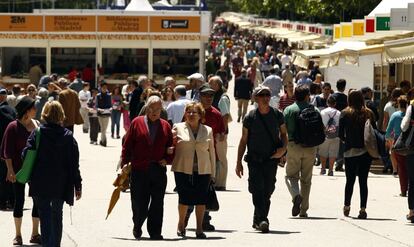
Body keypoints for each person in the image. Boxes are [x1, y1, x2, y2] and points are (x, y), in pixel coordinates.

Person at [23, 101, 82, 247]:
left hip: (40, 182)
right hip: (60, 184)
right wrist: (78, 185)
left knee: (44, 215)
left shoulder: (37, 133)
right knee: (57, 215)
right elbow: (74, 164)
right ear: (61, 115)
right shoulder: (68, 137)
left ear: (45, 114)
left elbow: (26, 155)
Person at [236, 85, 287, 233]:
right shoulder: (250, 117)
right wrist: (238, 162)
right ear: (256, 98)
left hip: (271, 158)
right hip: (254, 159)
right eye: (262, 95)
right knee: (257, 189)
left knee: (268, 190)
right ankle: (263, 219)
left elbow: (284, 134)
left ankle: (258, 218)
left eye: (267, 95)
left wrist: (283, 150)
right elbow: (243, 139)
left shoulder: (277, 115)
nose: (265, 98)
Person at [121, 96, 173, 240]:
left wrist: (167, 159)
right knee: (138, 201)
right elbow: (128, 144)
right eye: (152, 108)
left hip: (158, 169)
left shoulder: (165, 125)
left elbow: (170, 146)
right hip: (139, 169)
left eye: (158, 109)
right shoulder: (136, 122)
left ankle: (155, 232)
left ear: (161, 109)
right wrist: (124, 162)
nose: (155, 112)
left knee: (157, 202)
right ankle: (137, 224)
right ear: (146, 108)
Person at [0, 96, 41, 245]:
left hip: (35, 171)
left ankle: (35, 233)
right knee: (19, 201)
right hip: (18, 171)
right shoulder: (13, 127)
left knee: (37, 201)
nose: (36, 110)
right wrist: (10, 170)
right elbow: (7, 152)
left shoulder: (37, 125)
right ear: (26, 110)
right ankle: (18, 235)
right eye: (33, 108)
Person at [172, 102, 216, 239]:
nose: (191, 115)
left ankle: (199, 228)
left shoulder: (208, 130)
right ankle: (181, 224)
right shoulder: (177, 128)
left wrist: (213, 174)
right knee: (184, 198)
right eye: (188, 112)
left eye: (194, 112)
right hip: (182, 168)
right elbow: (170, 147)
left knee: (201, 200)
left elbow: (212, 153)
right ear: (185, 114)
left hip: (203, 170)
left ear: (200, 115)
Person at [283, 85, 320, 218]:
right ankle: (304, 210)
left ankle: (295, 195)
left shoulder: (289, 110)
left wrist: (282, 150)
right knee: (306, 179)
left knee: (290, 176)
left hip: (293, 146)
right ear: (306, 96)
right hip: (310, 148)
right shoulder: (314, 109)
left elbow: (283, 131)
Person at [339, 90, 375, 219]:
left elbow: (340, 134)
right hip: (366, 152)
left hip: (350, 151)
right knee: (363, 181)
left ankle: (347, 206)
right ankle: (363, 209)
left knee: (350, 180)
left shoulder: (345, 113)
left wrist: (347, 141)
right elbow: (373, 131)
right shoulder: (369, 113)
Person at [209, 76, 231, 190]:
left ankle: (221, 183)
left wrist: (222, 132)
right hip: (216, 132)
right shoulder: (216, 96)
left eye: (210, 84)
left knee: (221, 157)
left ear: (217, 85)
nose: (209, 86)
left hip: (220, 133)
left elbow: (225, 115)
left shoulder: (223, 97)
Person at [386, 96, 408, 196]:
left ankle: (403, 190)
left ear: (398, 104)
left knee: (401, 167)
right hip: (411, 143)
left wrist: (388, 139)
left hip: (398, 144)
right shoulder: (410, 115)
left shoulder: (395, 115)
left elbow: (388, 131)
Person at [0, 88, 16, 211]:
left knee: (2, 175)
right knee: (11, 174)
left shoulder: (1, 111)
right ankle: (12, 200)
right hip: (12, 146)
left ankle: (3, 201)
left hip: (2, 147)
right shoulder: (12, 110)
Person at [319, 96, 341, 176]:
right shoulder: (339, 113)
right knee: (333, 153)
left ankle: (323, 169)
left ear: (327, 103)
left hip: (324, 135)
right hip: (335, 135)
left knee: (323, 152)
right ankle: (331, 170)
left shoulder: (322, 112)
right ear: (335, 103)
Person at [401, 99, 414, 223]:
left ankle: (412, 211)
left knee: (412, 181)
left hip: (412, 148)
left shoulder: (412, 104)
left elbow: (404, 127)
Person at [332, 79, 348, 172]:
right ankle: (339, 162)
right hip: (343, 123)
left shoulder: (332, 96)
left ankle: (329, 162)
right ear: (344, 87)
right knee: (341, 144)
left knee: (332, 143)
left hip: (333, 123)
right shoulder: (346, 98)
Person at [96, 82, 112, 147]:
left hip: (107, 113)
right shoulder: (98, 95)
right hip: (100, 113)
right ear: (100, 88)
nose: (104, 89)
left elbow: (110, 105)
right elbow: (96, 106)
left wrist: (110, 109)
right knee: (102, 128)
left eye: (105, 88)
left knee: (104, 129)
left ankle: (102, 140)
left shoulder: (109, 96)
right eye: (103, 88)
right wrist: (99, 109)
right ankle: (104, 141)